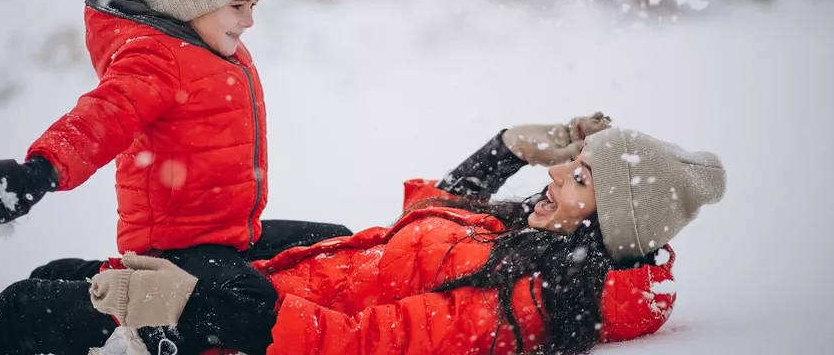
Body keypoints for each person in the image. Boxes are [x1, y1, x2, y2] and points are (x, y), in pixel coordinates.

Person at [84, 117, 727, 355]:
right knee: (64, 272)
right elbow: (430, 225)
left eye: (580, 175)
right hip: (284, 274)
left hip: (248, 325)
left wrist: (193, 307)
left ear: (606, 222)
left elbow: (366, 345)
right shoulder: (537, 241)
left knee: (35, 307)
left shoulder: (525, 298)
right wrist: (504, 150)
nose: (556, 172)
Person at [0, 0, 339, 354]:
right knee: (255, 311)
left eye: (254, 4)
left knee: (333, 240)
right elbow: (103, 117)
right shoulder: (157, 58)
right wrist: (40, 171)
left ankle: (73, 275)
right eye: (238, 5)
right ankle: (143, 324)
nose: (250, 20)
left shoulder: (212, 45)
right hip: (178, 249)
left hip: (229, 235)